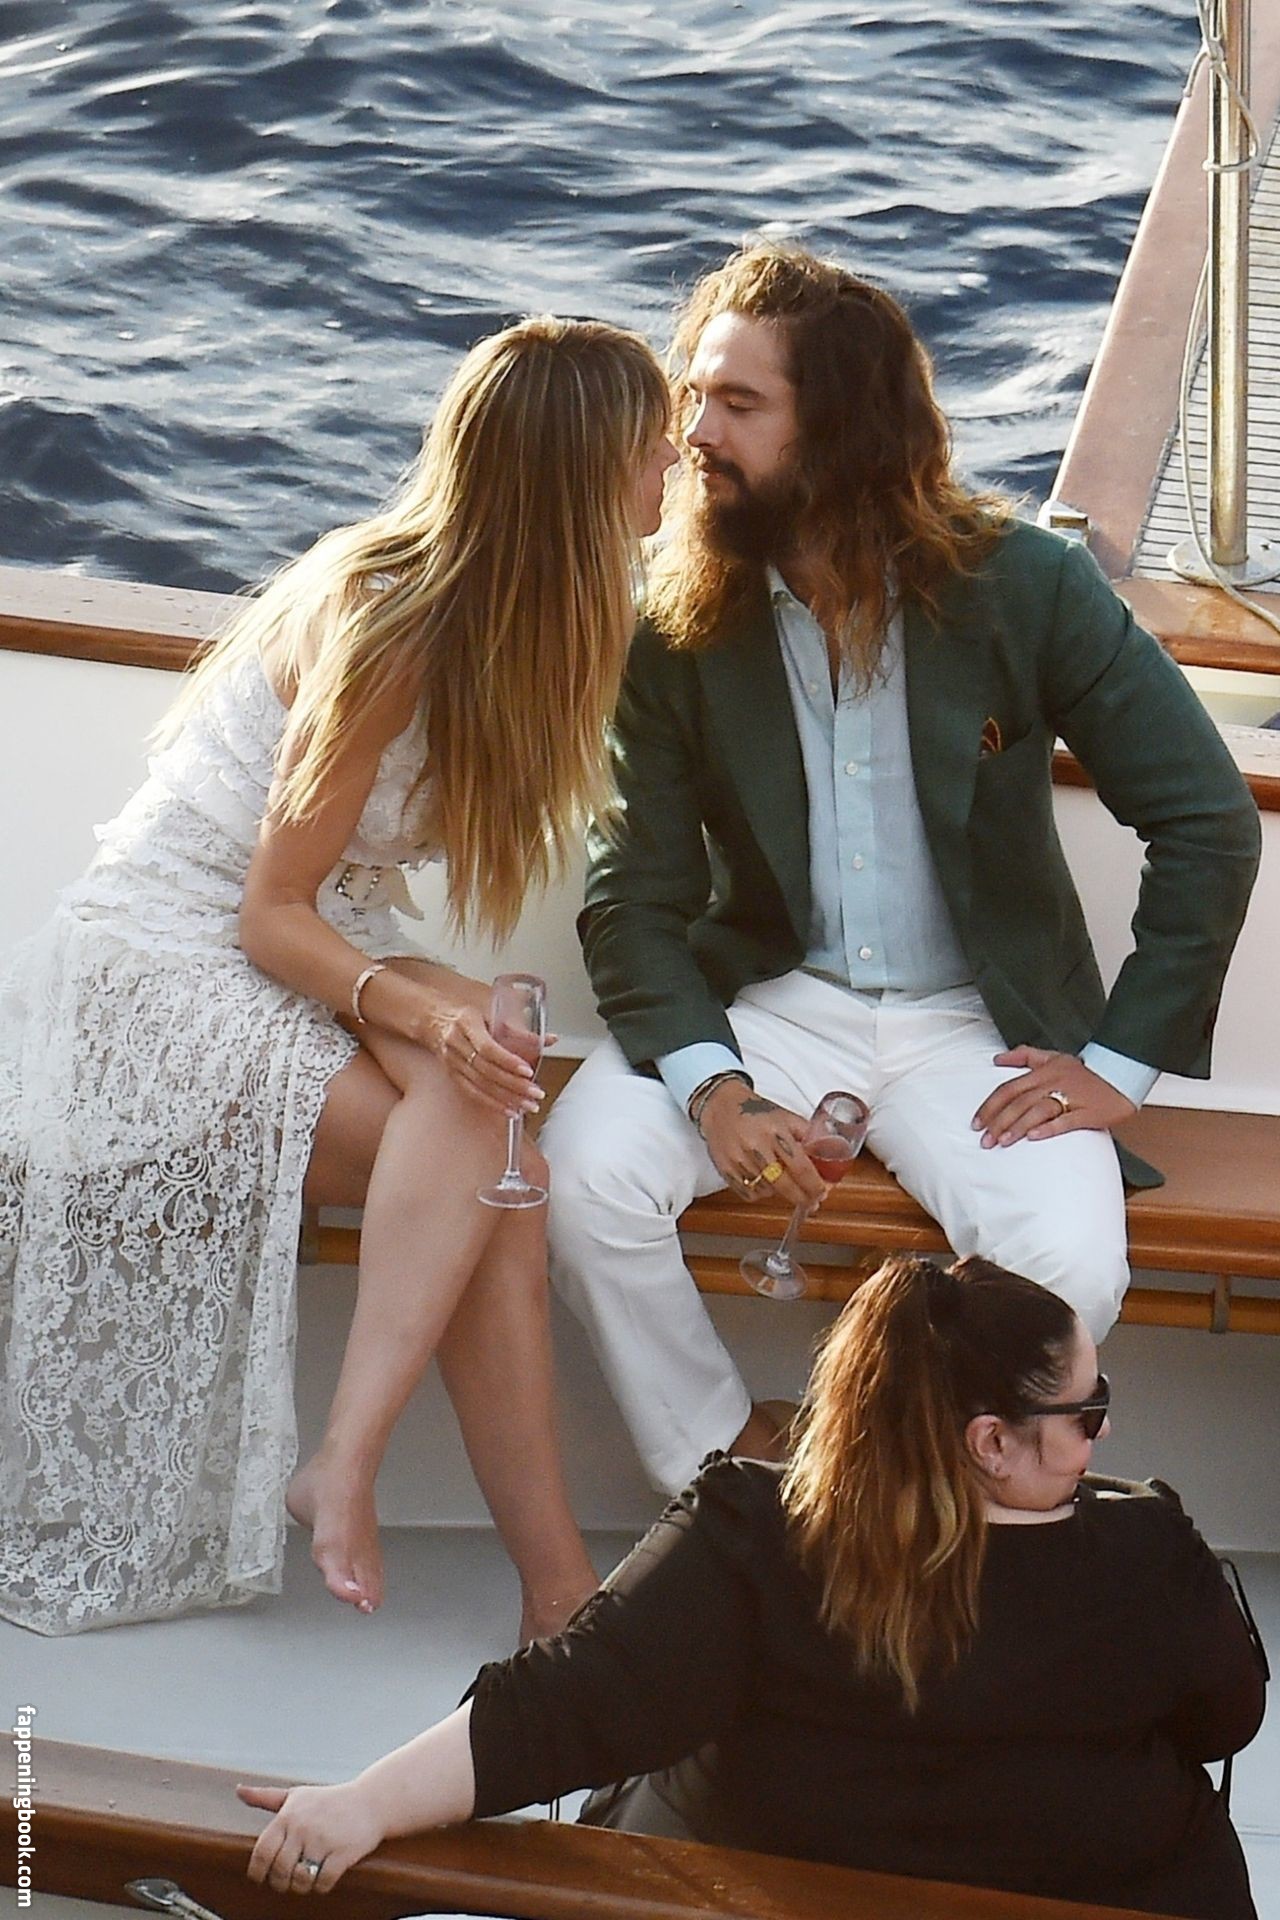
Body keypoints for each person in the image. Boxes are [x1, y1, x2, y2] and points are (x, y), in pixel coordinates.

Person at [540, 241, 1262, 1492]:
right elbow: (631, 895)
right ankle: (726, 1468)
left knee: (1068, 1276)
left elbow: (1206, 817)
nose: (693, 433)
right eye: (694, 396)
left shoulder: (1023, 586)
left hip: (979, 1028)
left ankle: (880, 1496)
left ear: (840, 430)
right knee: (583, 1175)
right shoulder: (671, 622)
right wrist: (713, 1088)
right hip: (770, 1003)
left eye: (737, 404)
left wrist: (1115, 1067)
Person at [0, 315, 677, 1636]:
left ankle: (536, 1582)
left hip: (318, 942)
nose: (673, 469)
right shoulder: (389, 620)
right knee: (501, 1168)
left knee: (492, 1109)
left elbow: (332, 906)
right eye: (655, 448)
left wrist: (433, 1005)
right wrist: (420, 1006)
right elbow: (267, 912)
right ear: (585, 474)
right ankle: (418, 1510)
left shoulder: (553, 614)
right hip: (164, 958)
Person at [236, 1254, 1266, 1919]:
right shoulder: (1148, 1551)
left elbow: (566, 1705)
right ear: (990, 1442)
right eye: (1088, 1412)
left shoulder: (751, 1531)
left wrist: (365, 1803)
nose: (1101, 1434)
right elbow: (1227, 1716)